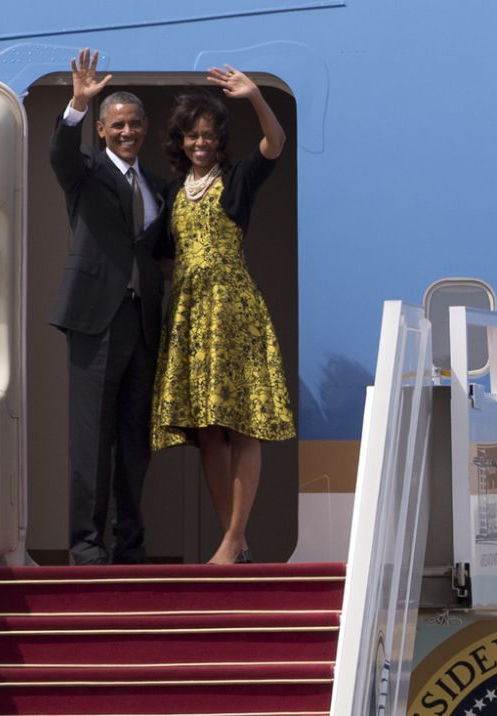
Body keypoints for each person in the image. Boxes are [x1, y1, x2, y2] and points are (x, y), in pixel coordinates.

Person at [151, 65, 295, 565]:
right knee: (208, 431)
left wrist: (255, 96)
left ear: (219, 140)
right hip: (189, 312)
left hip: (232, 307)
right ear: (181, 139)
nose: (200, 143)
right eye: (192, 135)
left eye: (209, 135)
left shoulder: (236, 178)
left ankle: (233, 540)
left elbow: (274, 142)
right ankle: (233, 540)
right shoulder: (171, 191)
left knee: (243, 425)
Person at [48, 48, 170, 565]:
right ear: (101, 130)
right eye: (117, 124)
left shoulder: (159, 186)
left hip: (142, 324)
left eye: (135, 124)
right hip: (95, 321)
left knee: (134, 439)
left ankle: (130, 542)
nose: (127, 132)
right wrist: (76, 103)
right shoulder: (86, 172)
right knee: (92, 438)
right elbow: (59, 153)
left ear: (145, 128)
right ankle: (86, 545)